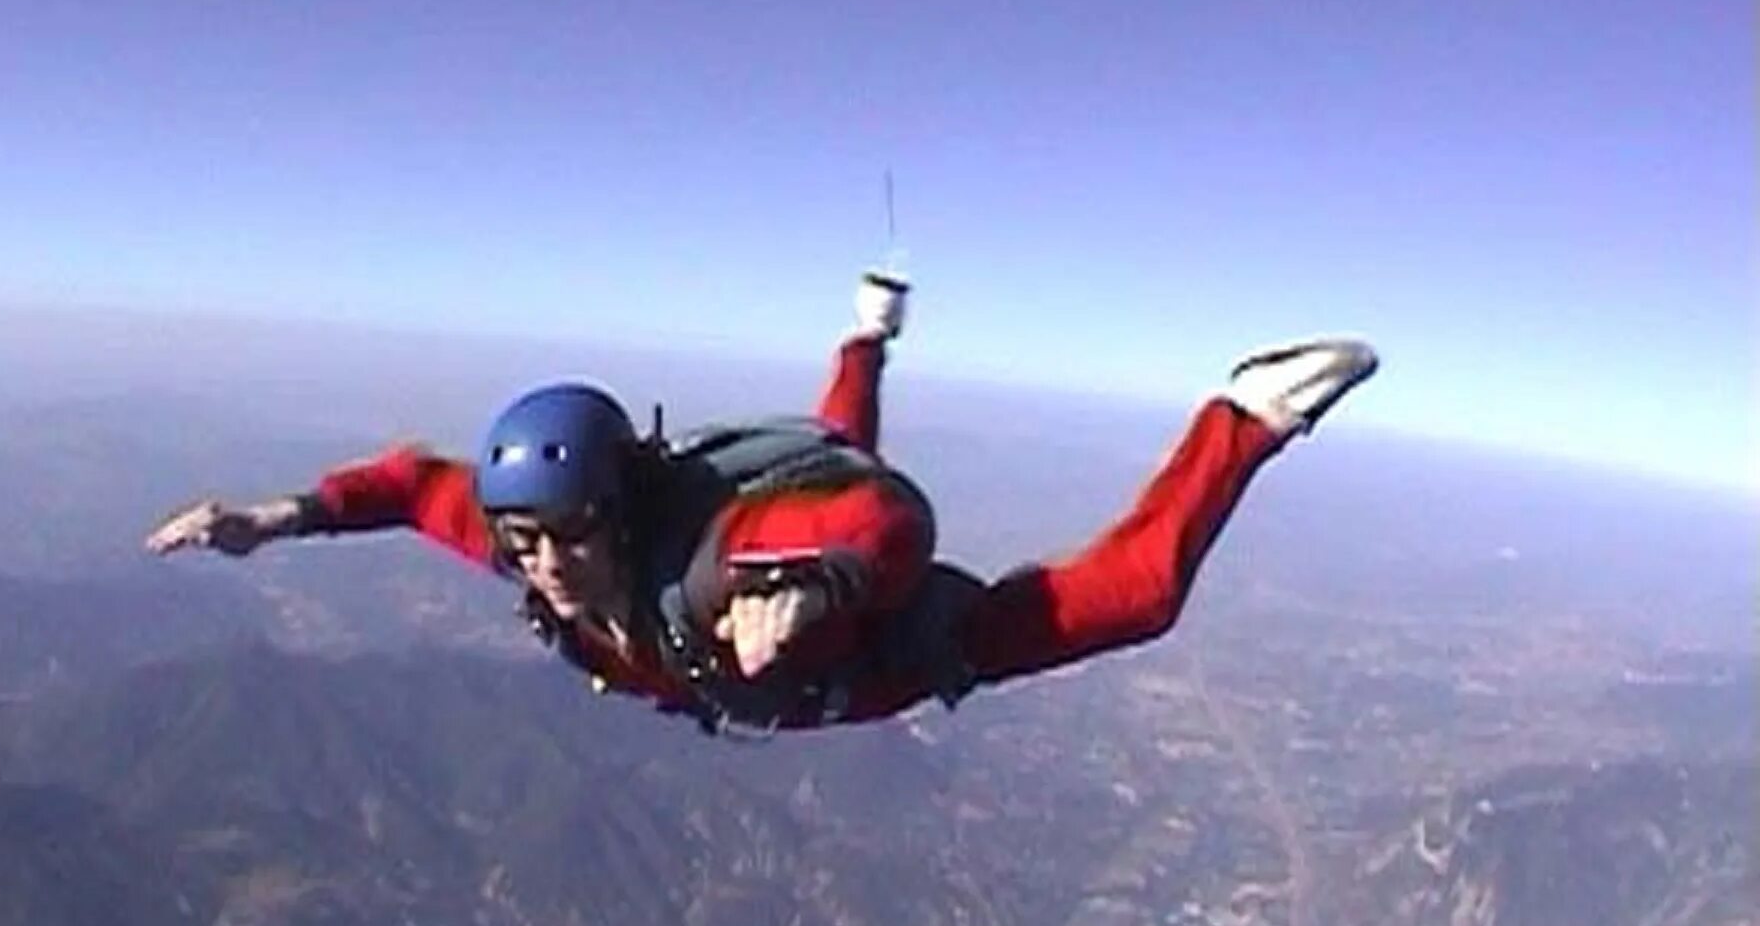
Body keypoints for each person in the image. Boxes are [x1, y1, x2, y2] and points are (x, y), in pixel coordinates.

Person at [144, 274, 1378, 736]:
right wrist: (277, 518)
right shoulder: (538, 543)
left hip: (875, 647)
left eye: (571, 534)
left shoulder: (723, 553)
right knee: (837, 428)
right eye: (524, 542)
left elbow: (887, 521)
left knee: (1142, 594)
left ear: (624, 509)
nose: (549, 564)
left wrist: (808, 587)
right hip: (785, 667)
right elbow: (414, 485)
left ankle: (1250, 411)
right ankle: (866, 331)